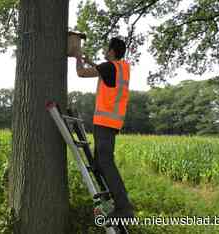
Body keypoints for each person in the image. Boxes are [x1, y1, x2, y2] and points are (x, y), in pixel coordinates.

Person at [75, 37, 134, 219]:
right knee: (100, 163)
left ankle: (124, 208)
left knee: (106, 163)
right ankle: (114, 200)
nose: (105, 51)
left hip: (105, 122)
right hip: (111, 122)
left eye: (107, 49)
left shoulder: (109, 68)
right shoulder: (120, 68)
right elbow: (101, 70)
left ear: (112, 51)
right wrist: (89, 60)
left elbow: (81, 73)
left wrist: (77, 57)